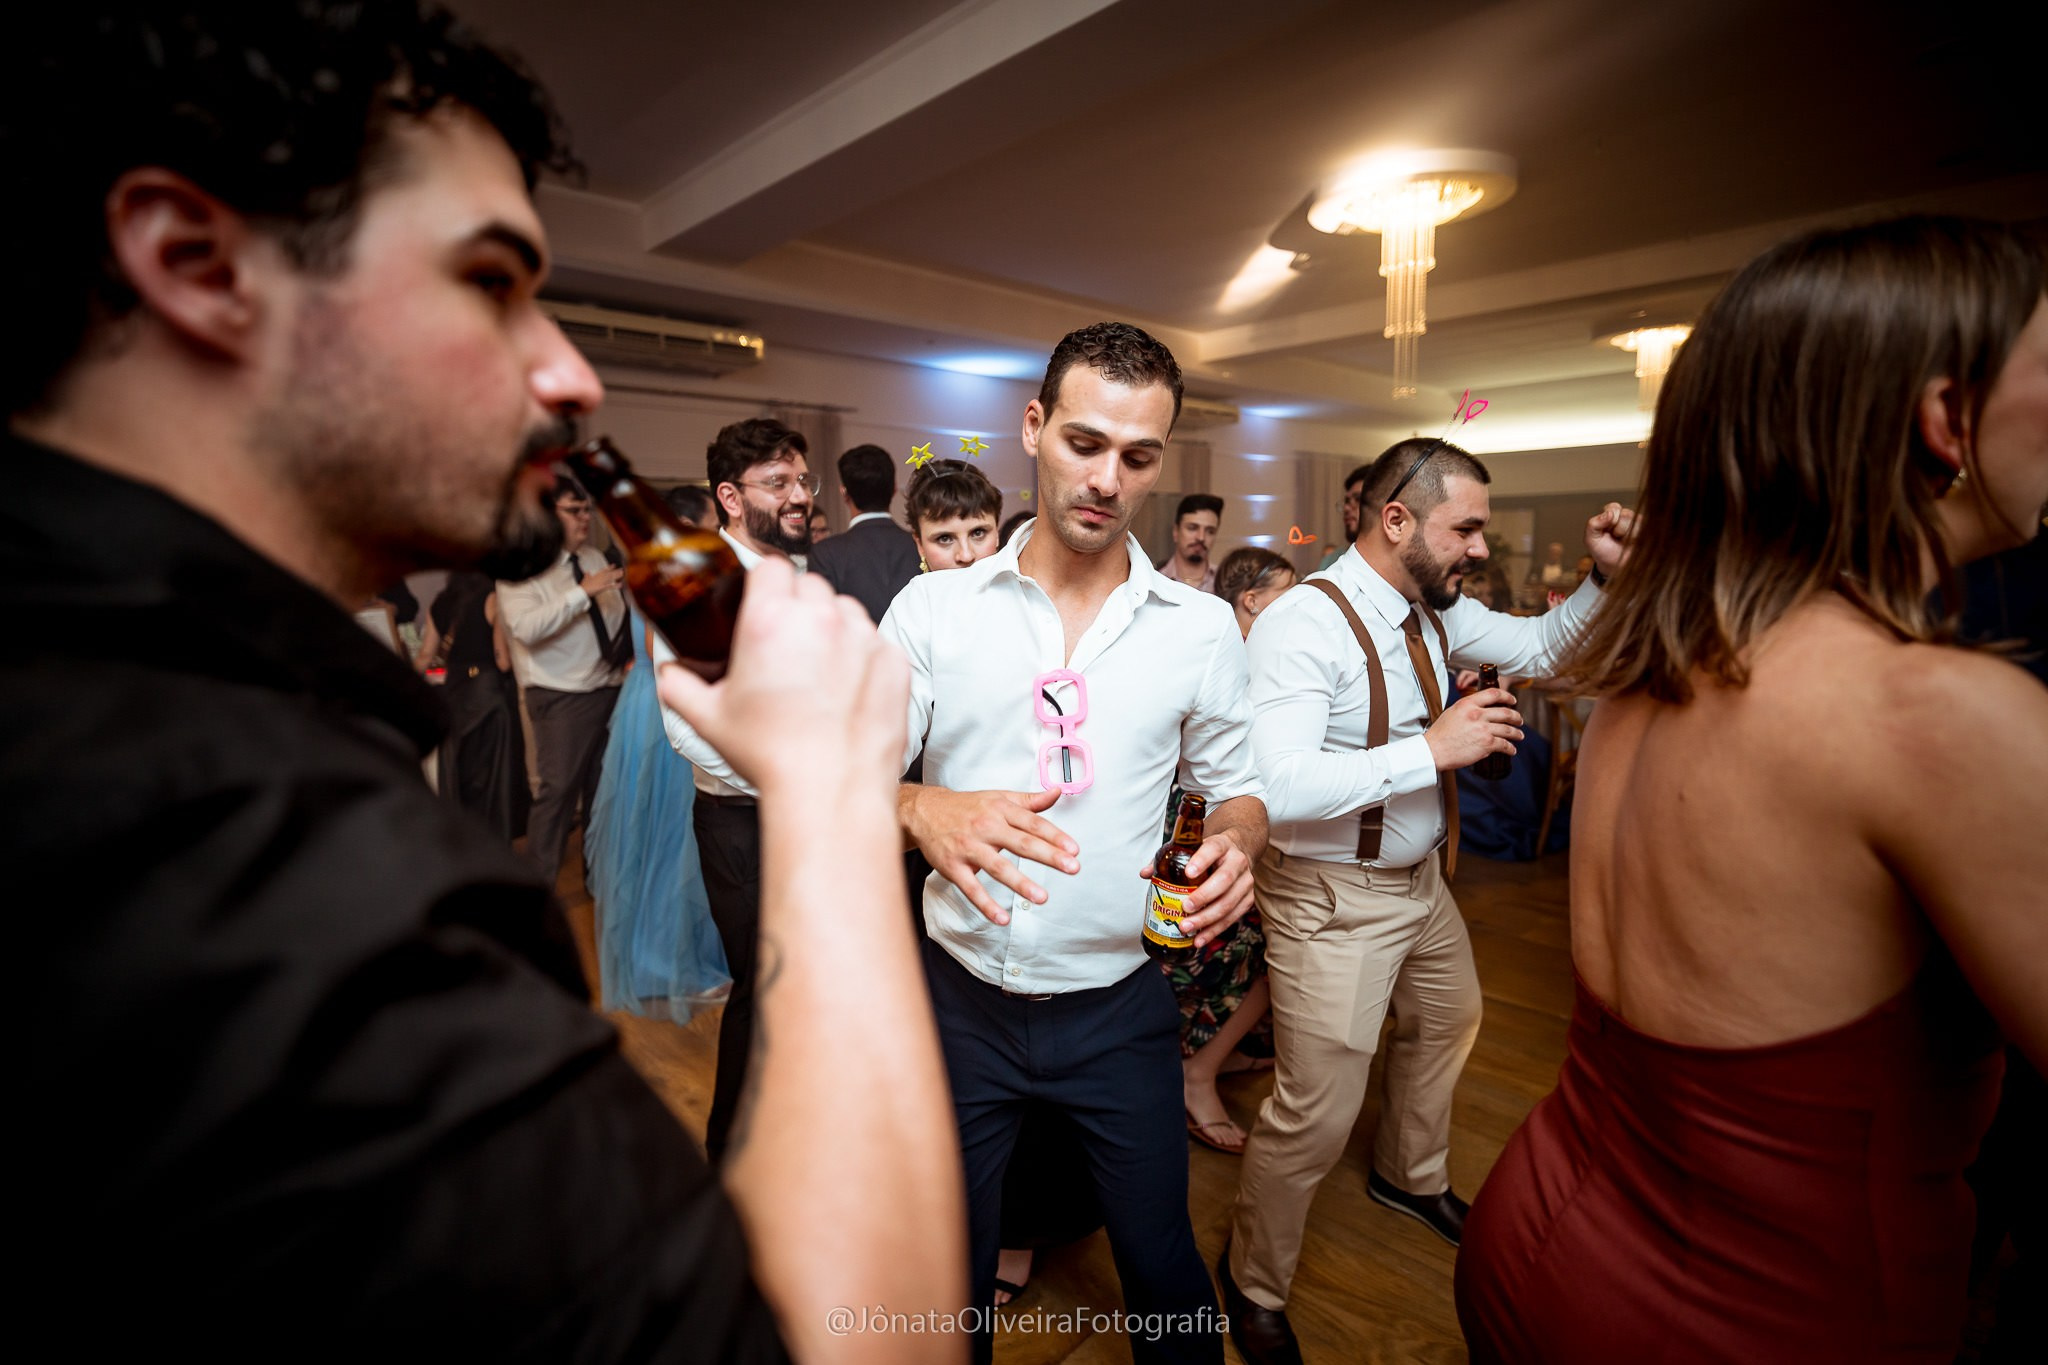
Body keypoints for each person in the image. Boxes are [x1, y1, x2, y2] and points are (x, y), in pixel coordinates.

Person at [9, 4, 964, 1358]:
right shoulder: (239, 850)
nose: (569, 373)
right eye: (492, 281)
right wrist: (828, 779)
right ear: (194, 262)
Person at [1456, 216, 2048, 1365]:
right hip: (1740, 1319)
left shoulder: (1651, 670)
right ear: (1946, 419)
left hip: (1530, 1236)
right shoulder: (1932, 717)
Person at [667, 322, 1269, 1364]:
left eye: (1137, 457)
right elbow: (838, 777)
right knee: (944, 1280)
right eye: (1084, 443)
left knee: (1161, 1260)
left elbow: (1236, 785)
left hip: (1120, 1007)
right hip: (953, 1008)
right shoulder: (931, 608)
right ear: (1032, 428)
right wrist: (915, 808)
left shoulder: (1198, 627)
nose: (1106, 479)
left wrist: (1235, 841)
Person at [1219, 437, 1630, 1365]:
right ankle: (1253, 1278)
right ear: (1395, 520)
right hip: (1331, 896)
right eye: (1467, 528)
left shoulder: (1432, 612)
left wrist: (1602, 580)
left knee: (1449, 1020)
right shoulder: (1301, 625)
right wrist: (1433, 750)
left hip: (1421, 887)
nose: (1479, 548)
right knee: (1317, 1107)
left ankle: (1410, 1176)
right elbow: (1275, 787)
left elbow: (1542, 643)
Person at [664, 417, 819, 1164]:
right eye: (779, 483)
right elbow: (686, 725)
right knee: (762, 989)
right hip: (741, 820)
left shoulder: (792, 570)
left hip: (804, 815)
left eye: (802, 480)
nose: (799, 496)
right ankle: (732, 1162)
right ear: (730, 496)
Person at [587, 485, 731, 1023]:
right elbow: (656, 646)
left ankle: (653, 959)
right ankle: (671, 966)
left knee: (648, 837)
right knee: (673, 844)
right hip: (665, 705)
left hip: (640, 703)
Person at [497, 476, 631, 884]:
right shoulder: (520, 567)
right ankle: (536, 887)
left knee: (602, 791)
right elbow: (525, 627)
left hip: (610, 688)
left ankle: (596, 875)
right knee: (557, 795)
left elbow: (610, 618)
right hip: (562, 696)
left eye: (588, 509)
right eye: (575, 510)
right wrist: (582, 593)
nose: (586, 517)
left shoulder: (591, 557)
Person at [419, 569, 530, 840]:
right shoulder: (492, 598)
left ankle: (464, 843)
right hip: (488, 697)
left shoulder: (441, 602)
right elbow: (502, 659)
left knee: (460, 775)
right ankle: (495, 846)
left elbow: (425, 657)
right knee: (492, 781)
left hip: (454, 696)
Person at [807, 442, 922, 622]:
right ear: (893, 490)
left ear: (844, 493)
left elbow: (820, 623)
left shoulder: (825, 553)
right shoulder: (920, 545)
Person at [908, 458, 1004, 571]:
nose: (966, 556)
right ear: (920, 545)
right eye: (944, 539)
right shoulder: (912, 589)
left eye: (978, 533)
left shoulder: (1023, 588)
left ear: (996, 533)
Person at [1157, 492, 1223, 592]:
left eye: (1210, 531)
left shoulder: (1225, 582)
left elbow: (1254, 608)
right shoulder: (1156, 579)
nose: (1201, 537)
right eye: (1192, 528)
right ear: (1176, 532)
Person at [1315, 465, 1371, 572]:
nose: (1346, 508)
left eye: (1358, 499)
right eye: (1347, 501)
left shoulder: (1394, 561)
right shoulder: (1330, 562)